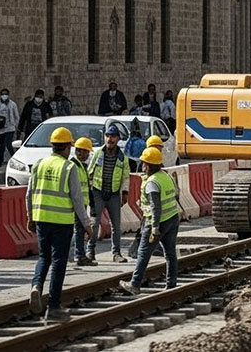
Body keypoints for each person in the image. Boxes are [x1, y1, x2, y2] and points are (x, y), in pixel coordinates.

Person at [27, 127, 93, 321]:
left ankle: (36, 286)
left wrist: (30, 216)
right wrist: (87, 225)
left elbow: (29, 193)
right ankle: (54, 307)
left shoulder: (39, 164)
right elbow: (77, 200)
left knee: (43, 257)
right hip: (62, 222)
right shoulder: (68, 167)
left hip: (41, 218)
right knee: (58, 262)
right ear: (66, 147)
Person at [120, 147, 180, 295]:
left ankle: (135, 284)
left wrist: (155, 227)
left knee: (143, 252)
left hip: (157, 222)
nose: (142, 166)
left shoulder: (152, 182)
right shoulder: (166, 176)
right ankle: (172, 283)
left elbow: (155, 206)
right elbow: (176, 195)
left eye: (144, 163)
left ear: (148, 165)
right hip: (173, 218)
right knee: (170, 253)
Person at [87, 124, 130, 263]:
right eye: (107, 136)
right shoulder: (98, 153)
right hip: (98, 192)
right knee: (94, 223)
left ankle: (116, 253)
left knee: (116, 226)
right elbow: (90, 172)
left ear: (118, 139)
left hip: (114, 194)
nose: (109, 139)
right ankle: (90, 251)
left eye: (113, 136)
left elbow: (125, 176)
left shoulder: (122, 158)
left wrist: (124, 192)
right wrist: (89, 191)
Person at [70, 137, 95, 266]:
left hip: (82, 203)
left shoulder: (82, 166)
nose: (84, 155)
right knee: (79, 229)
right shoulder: (74, 166)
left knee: (79, 229)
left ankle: (79, 254)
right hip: (76, 204)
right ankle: (79, 255)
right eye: (83, 151)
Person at [0, 89, 20, 167]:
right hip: (0, 129)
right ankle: (0, 160)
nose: (4, 95)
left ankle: (13, 159)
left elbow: (16, 116)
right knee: (2, 145)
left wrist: (17, 125)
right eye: (3, 94)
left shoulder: (12, 104)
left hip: (10, 128)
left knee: (8, 144)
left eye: (6, 94)